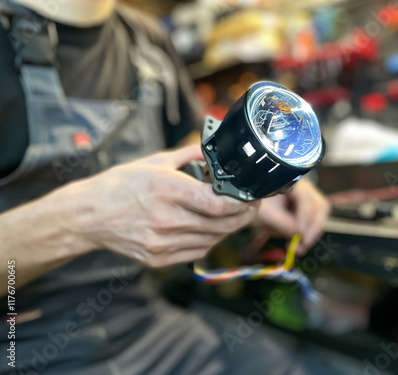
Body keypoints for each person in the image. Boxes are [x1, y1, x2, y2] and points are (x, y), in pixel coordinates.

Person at [0, 1, 337, 374]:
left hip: (146, 323)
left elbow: (189, 142)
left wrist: (250, 183)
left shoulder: (146, 41)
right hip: (19, 346)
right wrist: (83, 219)